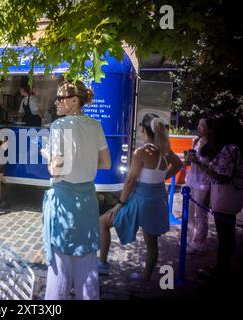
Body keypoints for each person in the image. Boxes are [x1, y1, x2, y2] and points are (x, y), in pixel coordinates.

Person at [40, 80, 111, 300]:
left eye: (60, 98)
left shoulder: (59, 126)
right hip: (88, 200)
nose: (56, 102)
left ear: (74, 100)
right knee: (88, 265)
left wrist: (46, 155)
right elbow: (106, 163)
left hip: (65, 201)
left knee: (59, 267)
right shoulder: (95, 125)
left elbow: (56, 171)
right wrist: (85, 163)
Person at [98, 113, 182, 282]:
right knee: (152, 243)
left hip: (139, 201)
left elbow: (130, 181)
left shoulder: (141, 152)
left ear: (143, 129)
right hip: (157, 200)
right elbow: (179, 165)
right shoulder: (165, 149)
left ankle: (103, 264)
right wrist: (160, 177)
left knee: (103, 222)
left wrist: (120, 203)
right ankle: (145, 279)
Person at [192, 116, 243, 280]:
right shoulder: (235, 147)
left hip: (224, 198)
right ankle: (223, 267)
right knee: (227, 234)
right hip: (231, 197)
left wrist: (201, 166)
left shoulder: (229, 149)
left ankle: (221, 270)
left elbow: (222, 176)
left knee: (225, 235)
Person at [185, 117, 213, 254]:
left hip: (203, 183)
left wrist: (197, 161)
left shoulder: (212, 145)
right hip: (191, 180)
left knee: (200, 214)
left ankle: (198, 243)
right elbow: (191, 163)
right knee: (189, 213)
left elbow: (210, 168)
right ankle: (189, 238)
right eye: (199, 124)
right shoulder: (196, 141)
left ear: (209, 129)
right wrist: (189, 159)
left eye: (203, 125)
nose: (199, 127)